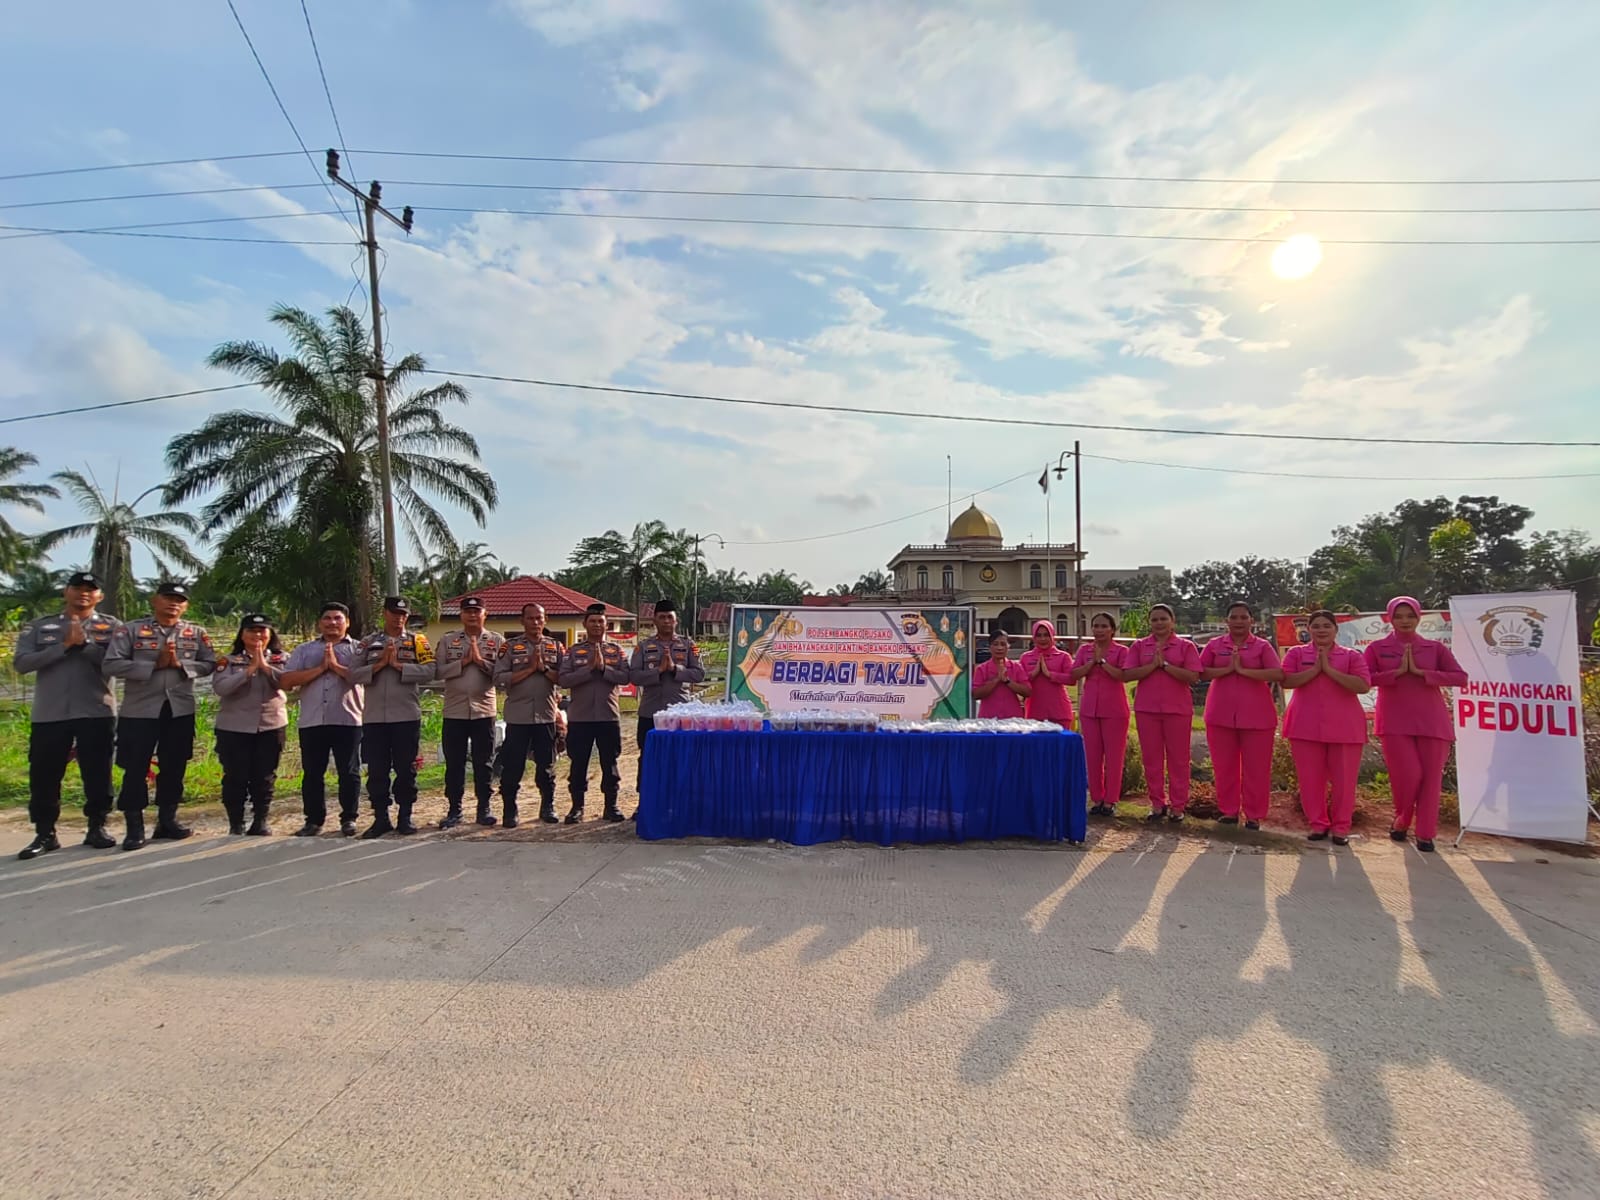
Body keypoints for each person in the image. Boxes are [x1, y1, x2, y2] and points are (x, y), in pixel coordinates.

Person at [12, 571, 122, 860]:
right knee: (45, 774)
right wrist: (64, 647)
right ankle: (45, 833)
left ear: (100, 596)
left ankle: (97, 826)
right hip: (50, 713)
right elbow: (22, 664)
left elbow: (116, 665)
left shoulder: (112, 627)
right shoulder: (40, 627)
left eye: (91, 589)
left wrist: (84, 646)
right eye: (77, 588)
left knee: (98, 772)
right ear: (66, 592)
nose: (83, 593)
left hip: (96, 710)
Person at [102, 581, 218, 850]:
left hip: (179, 709)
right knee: (135, 768)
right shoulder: (130, 630)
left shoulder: (196, 632)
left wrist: (182, 665)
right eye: (168, 598)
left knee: (174, 767)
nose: (173, 603)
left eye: (179, 599)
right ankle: (134, 827)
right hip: (140, 711)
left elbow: (210, 663)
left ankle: (167, 820)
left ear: (186, 605)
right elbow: (111, 664)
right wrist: (153, 665)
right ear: (155, 601)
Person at [1364, 595, 1469, 852]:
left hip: (1432, 722)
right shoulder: (1377, 648)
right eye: (1398, 616)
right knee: (1408, 776)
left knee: (1431, 779)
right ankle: (1401, 820)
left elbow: (1460, 677)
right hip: (1394, 722)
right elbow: (1364, 679)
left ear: (1418, 617)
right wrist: (1396, 673)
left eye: (1410, 616)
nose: (1405, 621)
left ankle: (1425, 834)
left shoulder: (1435, 648)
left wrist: (1423, 674)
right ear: (1389, 619)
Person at [1281, 609, 1372, 845]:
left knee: (1344, 782)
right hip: (1305, 725)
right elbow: (1287, 681)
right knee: (1310, 780)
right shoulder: (1296, 654)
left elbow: (1362, 685)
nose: (1321, 630)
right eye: (1316, 626)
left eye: (1326, 626)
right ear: (1308, 629)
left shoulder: (1351, 656)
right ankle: (1318, 824)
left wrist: (1330, 671)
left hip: (1345, 727)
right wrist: (1314, 671)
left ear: (1335, 629)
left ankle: (1341, 827)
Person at [349, 596, 434, 839]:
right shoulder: (368, 643)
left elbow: (430, 670)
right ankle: (381, 818)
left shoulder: (417, 641)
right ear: (385, 614)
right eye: (394, 613)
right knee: (377, 770)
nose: (399, 618)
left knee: (406, 770)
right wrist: (378, 666)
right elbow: (353, 674)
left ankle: (405, 816)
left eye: (403, 614)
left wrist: (397, 666)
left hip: (406, 715)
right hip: (375, 718)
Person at [279, 601, 364, 837]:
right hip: (312, 721)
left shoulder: (359, 649)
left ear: (347, 623)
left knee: (349, 771)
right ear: (320, 623)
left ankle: (349, 819)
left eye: (338, 618)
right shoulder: (304, 650)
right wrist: (319, 669)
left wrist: (335, 666)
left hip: (347, 719)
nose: (332, 623)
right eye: (327, 618)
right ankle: (313, 821)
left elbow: (364, 678)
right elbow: (286, 682)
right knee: (313, 773)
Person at [1199, 602, 1283, 831]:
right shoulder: (1215, 645)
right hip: (1220, 714)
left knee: (1256, 769)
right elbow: (1199, 671)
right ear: (1226, 621)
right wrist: (1226, 670)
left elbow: (1277, 673)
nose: (1238, 621)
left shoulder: (1262, 646)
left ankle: (1254, 814)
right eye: (1233, 617)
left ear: (1251, 621)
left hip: (1257, 716)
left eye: (1243, 617)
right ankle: (1229, 811)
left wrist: (1245, 671)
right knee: (1224, 766)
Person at [1124, 603, 1202, 823]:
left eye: (1163, 619)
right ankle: (1157, 804)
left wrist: (1165, 665)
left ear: (1172, 621)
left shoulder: (1185, 646)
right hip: (1147, 709)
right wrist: (1152, 666)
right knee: (1151, 759)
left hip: (1177, 710)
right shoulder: (1140, 646)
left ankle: (1178, 806)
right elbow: (1128, 674)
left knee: (1178, 760)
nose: (1159, 623)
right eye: (1155, 619)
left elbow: (1193, 676)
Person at [212, 614, 289, 836]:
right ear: (242, 635)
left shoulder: (282, 658)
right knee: (235, 775)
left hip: (270, 725)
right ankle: (236, 822)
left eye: (262, 630)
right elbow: (222, 689)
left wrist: (264, 666)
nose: (257, 635)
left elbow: (288, 683)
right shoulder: (228, 661)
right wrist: (249, 670)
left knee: (265, 775)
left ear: (270, 634)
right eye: (252, 630)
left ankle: (260, 820)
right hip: (234, 727)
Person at [434, 596, 505, 829]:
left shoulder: (496, 640)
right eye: (468, 611)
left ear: (485, 613)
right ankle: (454, 810)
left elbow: (502, 674)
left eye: (477, 611)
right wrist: (464, 662)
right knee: (454, 763)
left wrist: (481, 662)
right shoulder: (448, 640)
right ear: (461, 615)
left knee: (484, 762)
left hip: (484, 710)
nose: (472, 615)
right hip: (454, 711)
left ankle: (484, 808)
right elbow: (438, 671)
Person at [558, 603, 630, 823]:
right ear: (585, 624)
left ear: (606, 624)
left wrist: (604, 670)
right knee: (578, 763)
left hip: (608, 716)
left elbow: (625, 677)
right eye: (593, 621)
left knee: (610, 763)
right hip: (580, 718)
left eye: (601, 621)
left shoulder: (615, 651)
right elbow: (563, 680)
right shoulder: (573, 651)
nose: (597, 625)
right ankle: (577, 808)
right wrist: (588, 670)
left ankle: (611, 806)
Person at [630, 598, 705, 807]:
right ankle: (645, 803)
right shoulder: (644, 647)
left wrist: (675, 670)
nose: (665, 621)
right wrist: (658, 672)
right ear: (654, 620)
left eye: (669, 617)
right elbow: (634, 676)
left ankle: (679, 802)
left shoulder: (688, 645)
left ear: (676, 620)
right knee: (647, 758)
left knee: (680, 758)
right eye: (661, 617)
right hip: (650, 713)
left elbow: (699, 674)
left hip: (679, 712)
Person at [495, 603, 564, 826]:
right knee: (513, 766)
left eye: (539, 618)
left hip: (545, 716)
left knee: (546, 766)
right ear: (522, 621)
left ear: (545, 620)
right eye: (531, 618)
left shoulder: (556, 647)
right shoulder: (510, 647)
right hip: (519, 717)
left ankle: (547, 806)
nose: (535, 622)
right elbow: (499, 678)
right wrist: (528, 670)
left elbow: (565, 678)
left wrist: (543, 669)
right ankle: (510, 810)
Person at [1070, 612, 1130, 817]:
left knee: (1114, 757)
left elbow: (1123, 676)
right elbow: (1074, 674)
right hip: (1089, 709)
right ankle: (1097, 798)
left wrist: (1102, 662)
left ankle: (1110, 800)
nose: (1099, 630)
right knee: (1093, 756)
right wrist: (1090, 663)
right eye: (1095, 626)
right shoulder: (1085, 650)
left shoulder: (1121, 651)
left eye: (1104, 626)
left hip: (1114, 709)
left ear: (1112, 629)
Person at [1018, 619, 1075, 728]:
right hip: (1034, 712)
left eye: (1046, 635)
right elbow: (1019, 683)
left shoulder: (1063, 656)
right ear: (1034, 637)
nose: (1042, 639)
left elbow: (1072, 679)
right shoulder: (1026, 657)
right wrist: (1033, 674)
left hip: (1059, 711)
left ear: (1052, 636)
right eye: (1039, 635)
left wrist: (1050, 674)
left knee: (1060, 744)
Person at [971, 630, 1030, 718]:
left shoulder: (1016, 667)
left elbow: (1028, 692)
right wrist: (996, 680)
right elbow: (975, 694)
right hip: (988, 719)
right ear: (990, 647)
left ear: (1008, 647)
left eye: (1003, 644)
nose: (999, 648)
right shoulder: (982, 669)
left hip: (1013, 719)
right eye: (995, 644)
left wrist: (1008, 681)